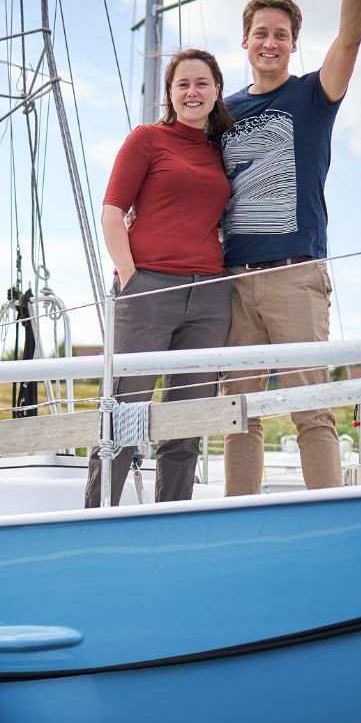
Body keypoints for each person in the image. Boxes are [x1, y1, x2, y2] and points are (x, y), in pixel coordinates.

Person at [220, 0, 361, 496]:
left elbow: (352, 38)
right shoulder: (223, 112)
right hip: (231, 279)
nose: (271, 42)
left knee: (313, 407)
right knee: (238, 414)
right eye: (262, 33)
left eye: (282, 35)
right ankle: (237, 520)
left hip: (295, 277)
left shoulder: (314, 96)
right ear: (246, 41)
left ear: (293, 44)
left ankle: (327, 517)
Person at [84, 49, 235, 507]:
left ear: (216, 91)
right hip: (147, 289)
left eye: (202, 83)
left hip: (210, 296)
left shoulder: (219, 149)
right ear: (170, 94)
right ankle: (96, 521)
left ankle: (171, 517)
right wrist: (131, 277)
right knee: (122, 418)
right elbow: (112, 212)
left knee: (185, 424)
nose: (193, 92)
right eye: (183, 84)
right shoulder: (147, 139)